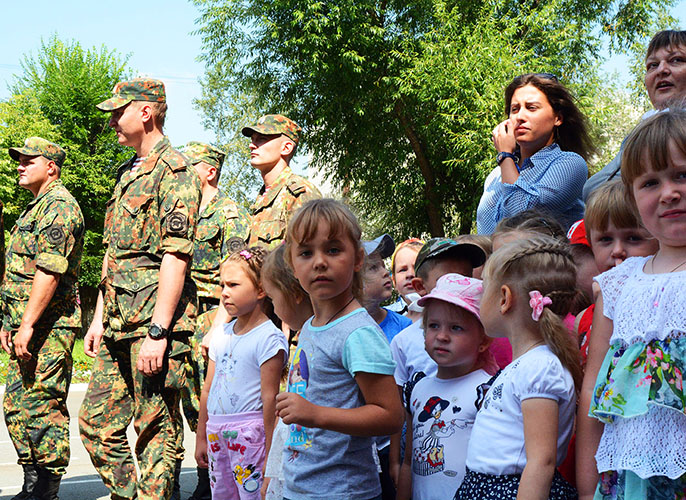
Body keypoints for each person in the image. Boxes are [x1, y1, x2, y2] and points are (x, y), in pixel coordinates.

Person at [78, 78, 201, 499]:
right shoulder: (125, 172)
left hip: (151, 325)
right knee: (95, 423)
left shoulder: (176, 172)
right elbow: (112, 256)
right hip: (116, 322)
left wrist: (158, 331)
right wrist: (97, 319)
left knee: (154, 429)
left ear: (146, 112)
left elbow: (176, 256)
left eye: (118, 111)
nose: (112, 120)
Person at [576, 109, 686, 499]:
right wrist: (587, 485)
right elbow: (592, 390)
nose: (669, 192)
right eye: (651, 182)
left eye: (682, 175)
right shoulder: (618, 284)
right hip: (626, 477)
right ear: (632, 194)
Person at [276, 198, 403, 500]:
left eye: (333, 250)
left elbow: (390, 416)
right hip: (301, 486)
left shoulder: (358, 333)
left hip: (343, 491)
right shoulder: (310, 326)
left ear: (358, 259)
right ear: (293, 266)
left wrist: (316, 414)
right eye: (306, 252)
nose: (319, 261)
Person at [456, 235, 580, 499]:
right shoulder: (529, 365)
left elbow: (540, 462)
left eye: (483, 288)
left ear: (504, 298)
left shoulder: (539, 368)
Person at [0, 137, 84, 500]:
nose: (20, 165)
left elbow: (49, 272)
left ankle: (47, 489)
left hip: (49, 328)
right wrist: (10, 322)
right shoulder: (35, 208)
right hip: (24, 326)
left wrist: (28, 324)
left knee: (43, 408)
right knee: (16, 406)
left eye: (28, 160)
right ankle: (31, 482)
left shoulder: (60, 208)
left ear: (51, 166)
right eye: (18, 161)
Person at [388, 237, 487, 485]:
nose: (442, 336)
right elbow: (399, 412)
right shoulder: (404, 346)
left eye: (466, 276)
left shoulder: (487, 387)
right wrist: (395, 463)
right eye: (449, 278)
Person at [181, 141, 250, 500]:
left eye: (188, 165)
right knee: (193, 400)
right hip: (185, 315)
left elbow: (236, 277)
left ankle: (213, 481)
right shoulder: (183, 212)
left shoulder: (230, 213)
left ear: (209, 171)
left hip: (214, 312)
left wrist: (218, 327)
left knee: (215, 398)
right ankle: (202, 474)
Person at [195, 246, 287, 500]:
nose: (224, 293)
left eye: (234, 285)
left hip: (250, 437)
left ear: (261, 290)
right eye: (222, 285)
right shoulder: (221, 334)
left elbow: (271, 400)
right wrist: (201, 436)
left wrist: (271, 454)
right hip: (216, 434)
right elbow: (207, 389)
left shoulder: (269, 338)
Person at [477, 73, 593, 234]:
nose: (520, 117)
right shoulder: (496, 176)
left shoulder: (571, 164)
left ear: (557, 118)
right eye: (515, 109)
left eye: (531, 108)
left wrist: (505, 155)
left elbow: (521, 217)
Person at [583, 30, 686, 201]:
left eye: (676, 60)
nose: (661, 70)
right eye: (652, 65)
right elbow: (593, 191)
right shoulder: (643, 130)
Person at [260, 244, 314, 500]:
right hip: (298, 467)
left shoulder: (333, 336)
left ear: (294, 293)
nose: (274, 309)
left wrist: (312, 412)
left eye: (273, 300)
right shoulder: (307, 334)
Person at [241, 114, 321, 248]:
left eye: (262, 139)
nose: (252, 145)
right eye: (252, 139)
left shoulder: (299, 194)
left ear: (286, 148)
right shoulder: (264, 196)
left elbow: (310, 255)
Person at [362, 234, 412, 343]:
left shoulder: (404, 326)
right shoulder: (340, 330)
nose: (385, 273)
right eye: (373, 267)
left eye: (383, 266)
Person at [387, 238, 424, 315]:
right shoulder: (385, 316)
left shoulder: (445, 310)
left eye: (416, 267)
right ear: (394, 281)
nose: (410, 274)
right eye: (403, 270)